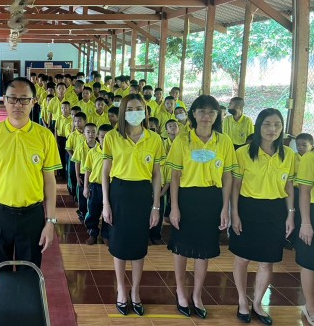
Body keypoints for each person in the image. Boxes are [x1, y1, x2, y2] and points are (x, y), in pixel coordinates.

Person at [0, 77, 62, 271]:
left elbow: (49, 182)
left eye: (24, 99)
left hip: (32, 216)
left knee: (29, 273)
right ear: (4, 100)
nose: (18, 104)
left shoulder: (44, 136)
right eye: (12, 98)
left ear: (33, 102)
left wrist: (50, 222)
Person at [166, 95, 235, 319]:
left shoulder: (224, 141)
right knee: (181, 249)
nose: (207, 116)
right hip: (187, 198)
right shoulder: (182, 140)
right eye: (202, 111)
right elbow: (175, 176)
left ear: (218, 116)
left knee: (203, 252)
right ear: (193, 114)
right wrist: (174, 207)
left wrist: (226, 208)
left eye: (212, 112)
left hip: (212, 200)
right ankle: (181, 291)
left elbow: (227, 177)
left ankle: (197, 295)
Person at [229, 108, 295, 325]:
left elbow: (289, 186)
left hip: (275, 211)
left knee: (267, 262)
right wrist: (234, 213)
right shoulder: (243, 153)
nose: (272, 129)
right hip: (248, 209)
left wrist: (290, 215)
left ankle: (257, 303)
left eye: (277, 124)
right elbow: (236, 186)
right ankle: (242, 301)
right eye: (267, 124)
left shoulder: (289, 155)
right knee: (242, 259)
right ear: (258, 126)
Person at [102, 94, 163, 317]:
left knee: (139, 247)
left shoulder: (155, 139)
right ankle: (121, 290)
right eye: (130, 108)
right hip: (119, 192)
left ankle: (135, 292)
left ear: (146, 112)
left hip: (142, 194)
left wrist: (156, 206)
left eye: (139, 108)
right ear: (122, 112)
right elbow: (105, 172)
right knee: (118, 245)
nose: (134, 112)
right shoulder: (111, 137)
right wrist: (106, 203)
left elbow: (157, 175)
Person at [296, 141, 314, 326]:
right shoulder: (311, 157)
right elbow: (304, 193)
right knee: (311, 262)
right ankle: (310, 307)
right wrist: (306, 223)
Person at [82, 123, 112, 245]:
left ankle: (106, 235)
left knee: (109, 211)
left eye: (107, 137)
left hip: (110, 187)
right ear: (98, 137)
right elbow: (87, 170)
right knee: (93, 211)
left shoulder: (116, 153)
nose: (104, 139)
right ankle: (92, 233)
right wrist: (85, 187)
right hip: (95, 186)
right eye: (102, 136)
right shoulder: (93, 152)